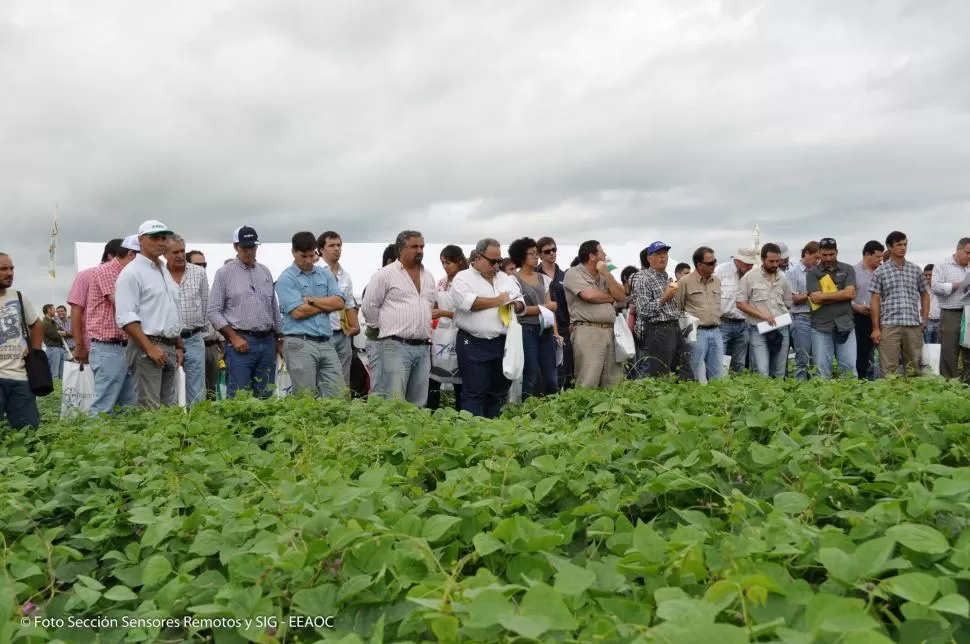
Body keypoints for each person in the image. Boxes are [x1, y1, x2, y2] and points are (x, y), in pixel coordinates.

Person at [361, 231, 436, 406]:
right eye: (414, 247)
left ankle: (414, 433)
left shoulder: (429, 276)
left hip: (423, 346)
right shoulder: (385, 275)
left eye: (422, 247)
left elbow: (430, 305)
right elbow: (369, 306)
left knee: (419, 401)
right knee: (393, 400)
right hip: (396, 345)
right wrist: (383, 329)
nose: (419, 251)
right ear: (401, 249)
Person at [451, 238, 526, 416]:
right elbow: (468, 303)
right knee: (474, 393)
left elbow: (521, 302)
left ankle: (494, 435)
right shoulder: (462, 278)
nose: (496, 265)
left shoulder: (505, 278)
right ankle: (473, 435)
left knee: (499, 394)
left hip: (502, 343)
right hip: (474, 344)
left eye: (499, 261)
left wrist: (516, 306)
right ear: (478, 257)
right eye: (492, 261)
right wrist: (499, 300)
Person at [115, 221, 185, 409]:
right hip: (147, 345)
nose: (160, 242)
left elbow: (170, 309)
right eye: (154, 238)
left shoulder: (163, 270)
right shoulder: (132, 272)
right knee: (150, 408)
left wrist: (178, 344)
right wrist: (149, 347)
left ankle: (164, 438)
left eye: (163, 238)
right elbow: (126, 317)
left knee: (165, 407)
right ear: (141, 240)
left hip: (168, 345)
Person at [208, 226, 283, 398]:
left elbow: (273, 306)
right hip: (241, 342)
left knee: (266, 394)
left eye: (253, 247)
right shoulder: (224, 274)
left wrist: (279, 338)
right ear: (236, 247)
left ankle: (264, 426)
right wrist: (233, 338)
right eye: (245, 248)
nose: (249, 252)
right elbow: (213, 311)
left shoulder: (265, 271)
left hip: (267, 341)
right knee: (238, 396)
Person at [275, 232, 347, 398]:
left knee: (338, 395)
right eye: (303, 256)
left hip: (327, 342)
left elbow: (339, 303)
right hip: (300, 343)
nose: (308, 261)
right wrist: (326, 305)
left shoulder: (325, 273)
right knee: (305, 399)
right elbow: (298, 312)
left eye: (311, 255)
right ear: (293, 252)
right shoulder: (286, 278)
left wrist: (312, 301)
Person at [86, 236, 140, 414]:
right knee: (104, 406)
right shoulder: (108, 270)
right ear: (131, 254)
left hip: (126, 345)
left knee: (129, 406)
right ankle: (97, 441)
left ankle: (123, 441)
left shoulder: (129, 273)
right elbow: (121, 303)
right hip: (109, 347)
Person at [563, 240, 627, 388]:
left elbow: (621, 296)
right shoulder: (573, 273)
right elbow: (590, 296)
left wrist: (607, 274)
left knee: (613, 382)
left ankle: (610, 411)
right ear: (592, 256)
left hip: (610, 331)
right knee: (588, 380)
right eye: (602, 252)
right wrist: (611, 298)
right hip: (588, 331)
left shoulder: (605, 275)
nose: (605, 255)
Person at [870, 231, 929, 377]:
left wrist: (924, 318)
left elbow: (925, 294)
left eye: (905, 244)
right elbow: (875, 300)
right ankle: (891, 398)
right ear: (890, 247)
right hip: (890, 324)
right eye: (898, 245)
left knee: (914, 367)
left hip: (913, 324)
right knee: (889, 369)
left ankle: (913, 398)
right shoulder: (880, 271)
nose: (902, 248)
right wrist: (876, 328)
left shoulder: (915, 270)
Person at [508, 237, 560, 400]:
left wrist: (556, 332)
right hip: (526, 330)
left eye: (536, 253)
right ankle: (527, 411)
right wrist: (545, 307)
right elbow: (520, 310)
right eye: (532, 254)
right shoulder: (513, 280)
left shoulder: (543, 278)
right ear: (522, 257)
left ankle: (551, 408)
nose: (536, 256)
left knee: (551, 376)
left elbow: (550, 307)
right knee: (531, 374)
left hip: (545, 329)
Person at [736, 243, 793, 378]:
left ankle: (777, 398)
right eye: (771, 261)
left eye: (777, 261)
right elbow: (740, 303)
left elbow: (788, 302)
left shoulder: (783, 278)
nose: (774, 264)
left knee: (779, 370)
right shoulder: (750, 277)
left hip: (781, 327)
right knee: (762, 370)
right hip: (758, 328)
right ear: (762, 260)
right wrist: (763, 315)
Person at [0, 252, 43, 429]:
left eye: (11, 268)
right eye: (3, 269)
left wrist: (34, 349)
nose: (9, 273)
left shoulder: (18, 297)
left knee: (28, 432)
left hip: (20, 376)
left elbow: (37, 325)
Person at [165, 235, 209, 407]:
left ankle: (197, 428)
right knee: (169, 389)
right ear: (165, 253)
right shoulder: (159, 274)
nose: (180, 255)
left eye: (182, 251)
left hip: (193, 337)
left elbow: (205, 305)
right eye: (175, 252)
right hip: (167, 340)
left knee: (197, 390)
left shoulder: (198, 273)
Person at [806, 238, 858, 379]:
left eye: (831, 254)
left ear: (837, 252)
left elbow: (851, 293)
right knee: (822, 372)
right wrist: (842, 295)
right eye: (824, 255)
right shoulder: (812, 272)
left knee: (849, 369)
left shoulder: (848, 269)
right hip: (821, 327)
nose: (828, 258)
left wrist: (824, 296)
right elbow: (815, 298)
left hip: (845, 325)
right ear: (819, 253)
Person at [675, 246, 724, 384]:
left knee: (718, 372)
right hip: (696, 333)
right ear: (699, 265)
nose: (714, 265)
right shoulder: (685, 282)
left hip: (716, 330)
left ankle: (717, 401)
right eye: (710, 263)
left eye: (715, 261)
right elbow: (678, 308)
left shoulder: (717, 281)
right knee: (695, 371)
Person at [318, 232, 360, 385]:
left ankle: (341, 408)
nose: (336, 249)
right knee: (323, 380)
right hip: (322, 334)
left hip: (342, 334)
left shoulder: (346, 276)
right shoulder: (314, 272)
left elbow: (349, 304)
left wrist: (354, 326)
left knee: (343, 381)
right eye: (331, 245)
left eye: (339, 245)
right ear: (321, 249)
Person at [428, 245, 467, 411]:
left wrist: (444, 312)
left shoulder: (465, 282)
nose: (445, 266)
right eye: (443, 263)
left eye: (448, 263)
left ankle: (460, 412)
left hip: (460, 331)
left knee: (460, 377)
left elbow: (466, 313)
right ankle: (432, 410)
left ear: (459, 262)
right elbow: (435, 304)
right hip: (442, 333)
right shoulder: (442, 282)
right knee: (435, 374)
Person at [930, 238, 970, 382]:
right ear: (958, 250)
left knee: (968, 353)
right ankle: (949, 385)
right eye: (967, 252)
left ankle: (967, 386)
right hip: (951, 313)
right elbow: (935, 287)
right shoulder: (943, 265)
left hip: (968, 313)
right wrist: (958, 285)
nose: (969, 256)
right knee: (949, 352)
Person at [41, 304, 67, 380]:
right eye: (53, 309)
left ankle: (60, 391)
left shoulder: (53, 321)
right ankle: (55, 391)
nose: (55, 311)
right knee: (54, 374)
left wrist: (61, 332)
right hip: (53, 349)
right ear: (48, 310)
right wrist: (61, 333)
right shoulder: (45, 322)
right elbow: (55, 335)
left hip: (59, 348)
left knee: (61, 374)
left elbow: (62, 330)